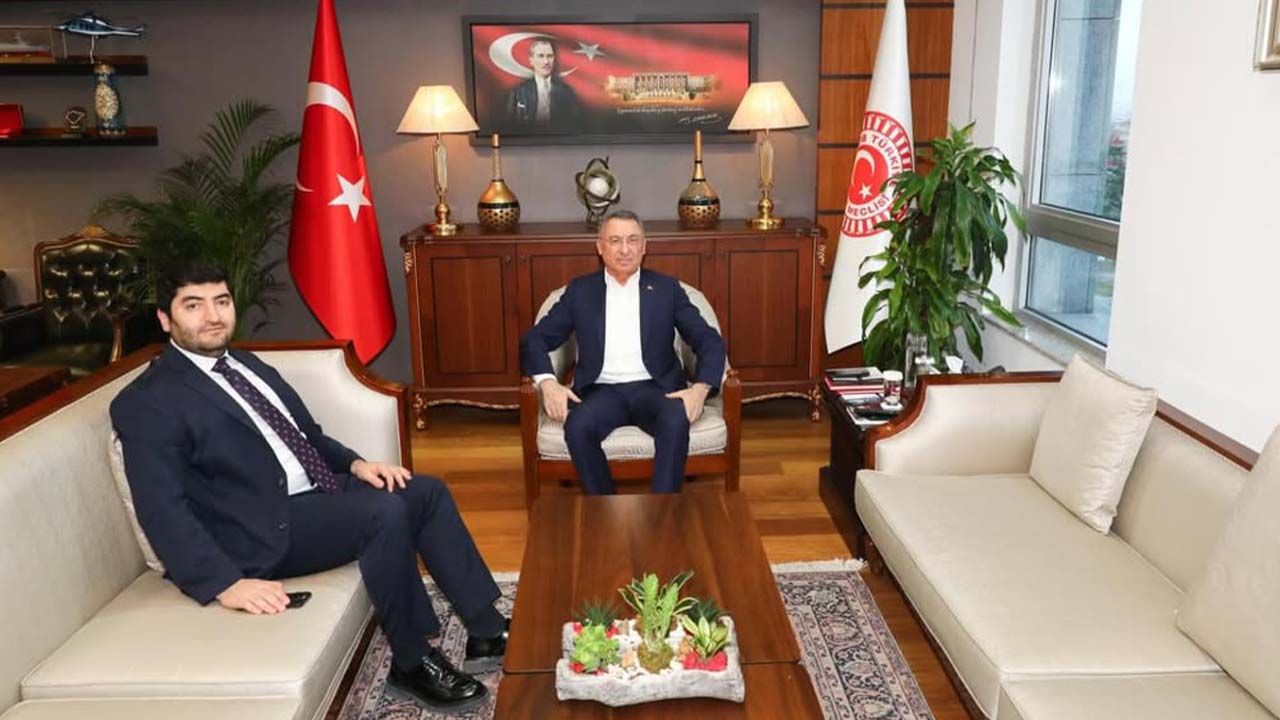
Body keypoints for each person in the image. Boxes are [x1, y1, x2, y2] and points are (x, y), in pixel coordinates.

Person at [109, 261, 504, 713]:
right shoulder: (149, 400)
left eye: (221, 301)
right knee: (383, 513)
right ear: (165, 319)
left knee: (424, 491)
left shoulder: (245, 364)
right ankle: (411, 661)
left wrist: (356, 464)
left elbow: (306, 436)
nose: (213, 316)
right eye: (193, 306)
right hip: (258, 529)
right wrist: (224, 583)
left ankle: (486, 630)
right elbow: (161, 507)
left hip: (314, 494)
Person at [519, 210, 726, 494]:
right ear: (600, 247)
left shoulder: (667, 289)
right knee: (578, 426)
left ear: (644, 246)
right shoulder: (580, 292)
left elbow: (709, 340)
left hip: (657, 389)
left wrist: (700, 390)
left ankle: (662, 510)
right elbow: (534, 339)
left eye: (633, 240)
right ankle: (605, 508)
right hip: (600, 391)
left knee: (675, 420)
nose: (625, 249)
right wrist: (548, 383)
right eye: (615, 241)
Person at [504, 36, 581, 131]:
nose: (546, 61)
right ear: (531, 60)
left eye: (550, 56)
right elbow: (509, 126)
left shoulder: (567, 93)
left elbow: (573, 127)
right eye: (541, 56)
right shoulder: (518, 92)